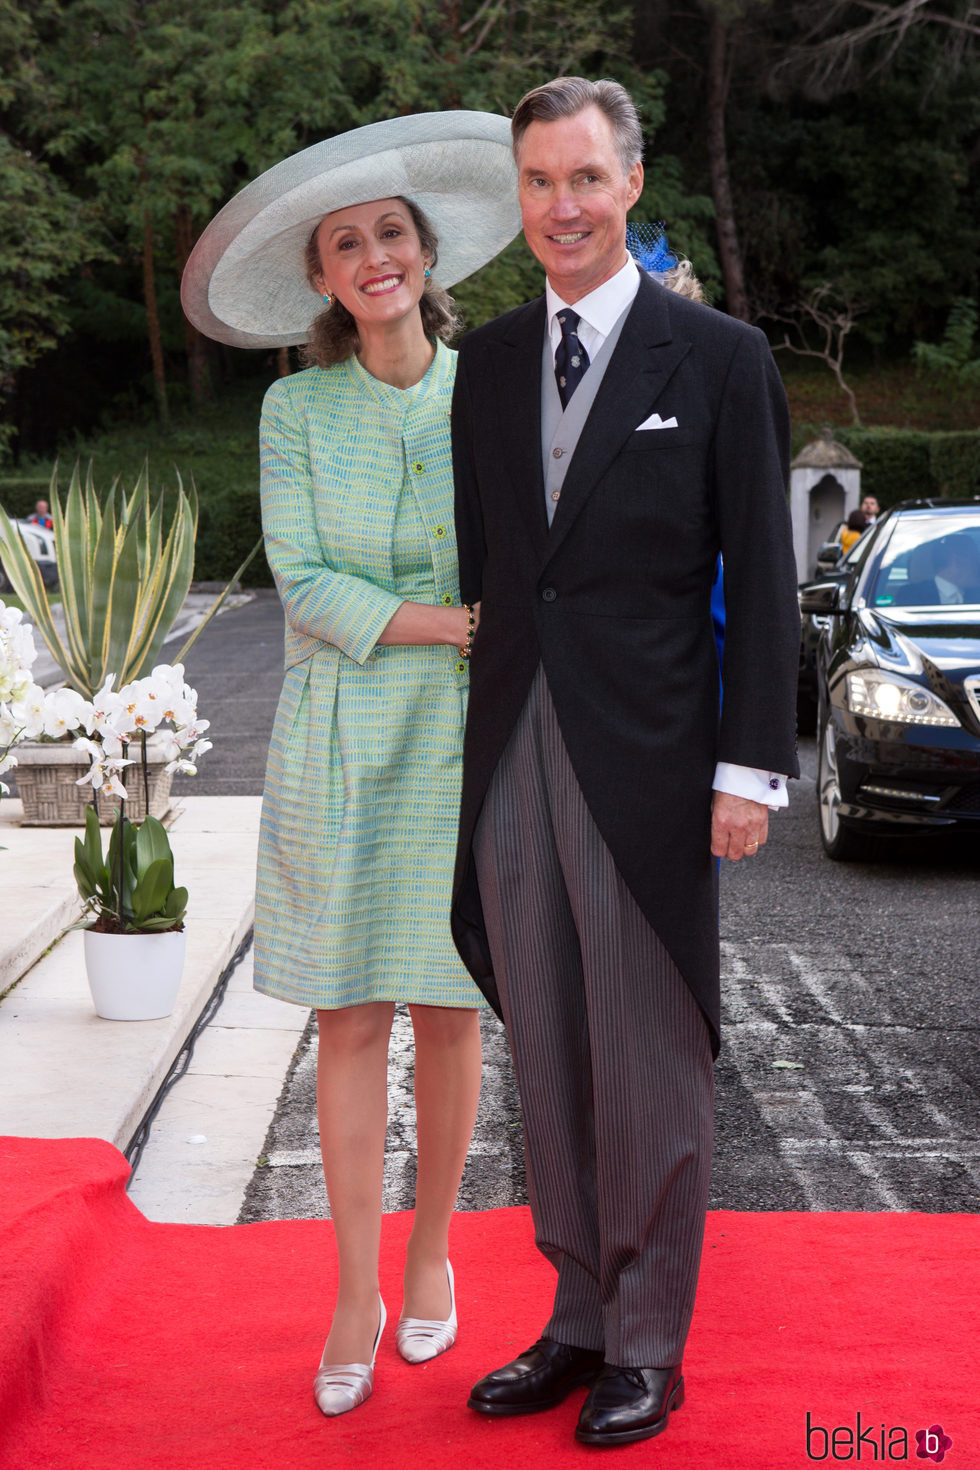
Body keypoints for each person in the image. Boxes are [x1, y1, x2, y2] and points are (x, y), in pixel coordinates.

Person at [450, 77, 800, 1448]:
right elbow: (495, 572)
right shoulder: (483, 364)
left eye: (584, 178)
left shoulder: (716, 357)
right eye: (539, 184)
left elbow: (764, 582)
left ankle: (650, 1342)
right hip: (516, 746)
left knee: (648, 1053)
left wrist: (748, 771)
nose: (562, 208)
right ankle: (581, 1313)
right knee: (547, 1041)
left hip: (655, 760)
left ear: (633, 183)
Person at [180, 112, 520, 1418]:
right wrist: (451, 621)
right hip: (339, 736)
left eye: (390, 232)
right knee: (347, 1015)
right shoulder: (294, 407)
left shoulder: (490, 381)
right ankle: (351, 1287)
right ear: (321, 277)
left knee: (446, 1004)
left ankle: (432, 1253)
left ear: (426, 251)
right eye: (345, 243)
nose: (373, 256)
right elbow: (306, 580)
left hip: (462, 735)